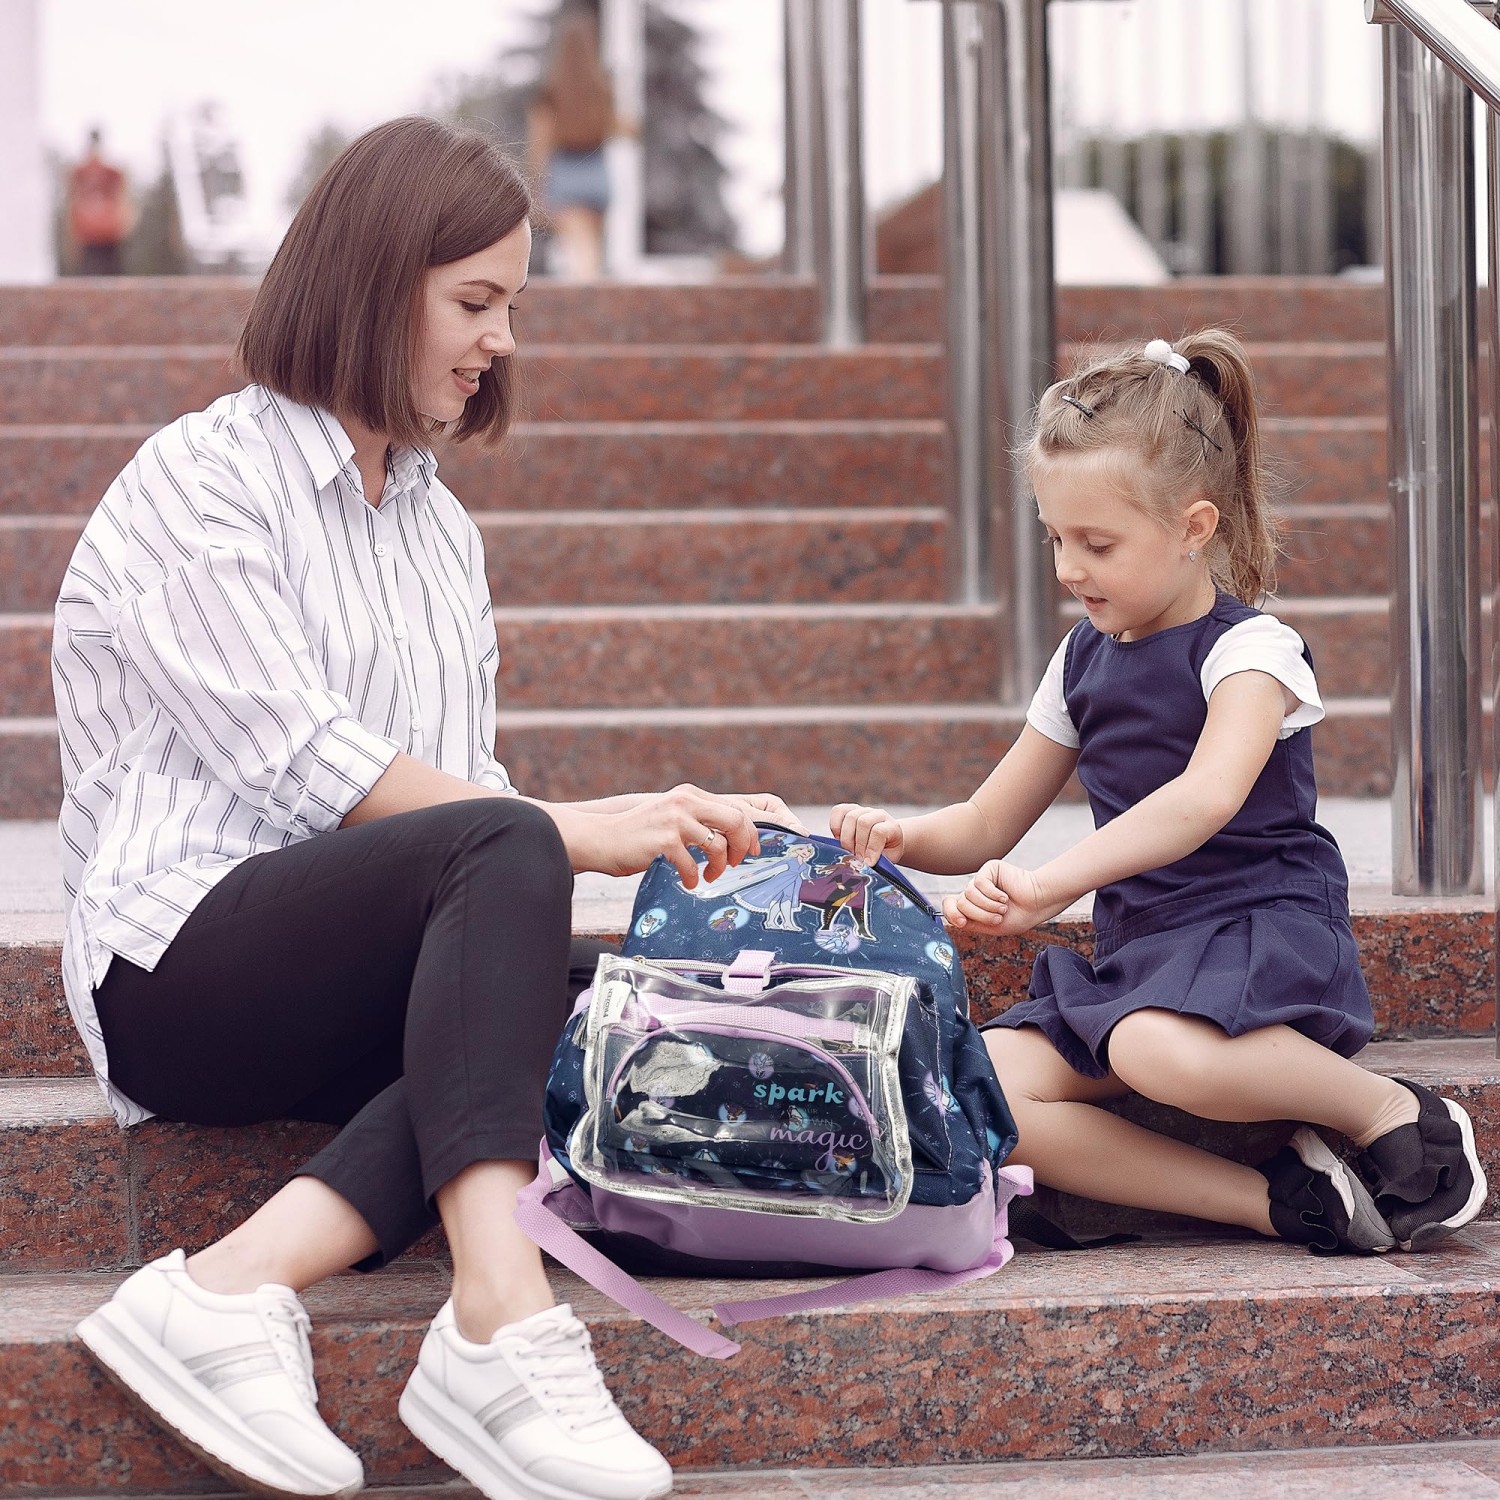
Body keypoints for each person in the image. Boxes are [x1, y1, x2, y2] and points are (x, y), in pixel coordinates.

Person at [54, 116, 804, 1500]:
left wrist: (629, 815)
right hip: (180, 966)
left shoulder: (439, 531)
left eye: (509, 304)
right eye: (475, 301)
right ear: (371, 282)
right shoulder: (199, 481)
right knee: (514, 842)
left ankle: (229, 1283)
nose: (501, 339)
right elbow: (317, 770)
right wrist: (566, 827)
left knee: (608, 1020)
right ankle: (501, 1320)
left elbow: (454, 810)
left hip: (359, 966)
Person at [828, 331, 1487, 1258]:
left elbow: (1202, 799)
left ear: (1195, 528)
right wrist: (894, 836)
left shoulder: (1251, 650)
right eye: (1056, 537)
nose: (1068, 568)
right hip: (1144, 957)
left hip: (1261, 930)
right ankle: (1280, 1202)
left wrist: (1054, 885)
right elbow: (985, 822)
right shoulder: (1082, 658)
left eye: (1097, 543)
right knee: (990, 1080)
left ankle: (1398, 1116)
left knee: (1147, 1046)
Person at [528, 10, 617, 280]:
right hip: (597, 170)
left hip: (566, 171)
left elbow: (540, 143)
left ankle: (584, 305)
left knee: (578, 254)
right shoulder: (602, 89)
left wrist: (535, 184)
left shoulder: (551, 93)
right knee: (591, 251)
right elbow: (616, 126)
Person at [66, 127, 132, 275]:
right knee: (93, 274)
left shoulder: (110, 171)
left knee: (108, 274)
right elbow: (73, 198)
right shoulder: (80, 172)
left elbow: (121, 196)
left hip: (108, 231)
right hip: (90, 231)